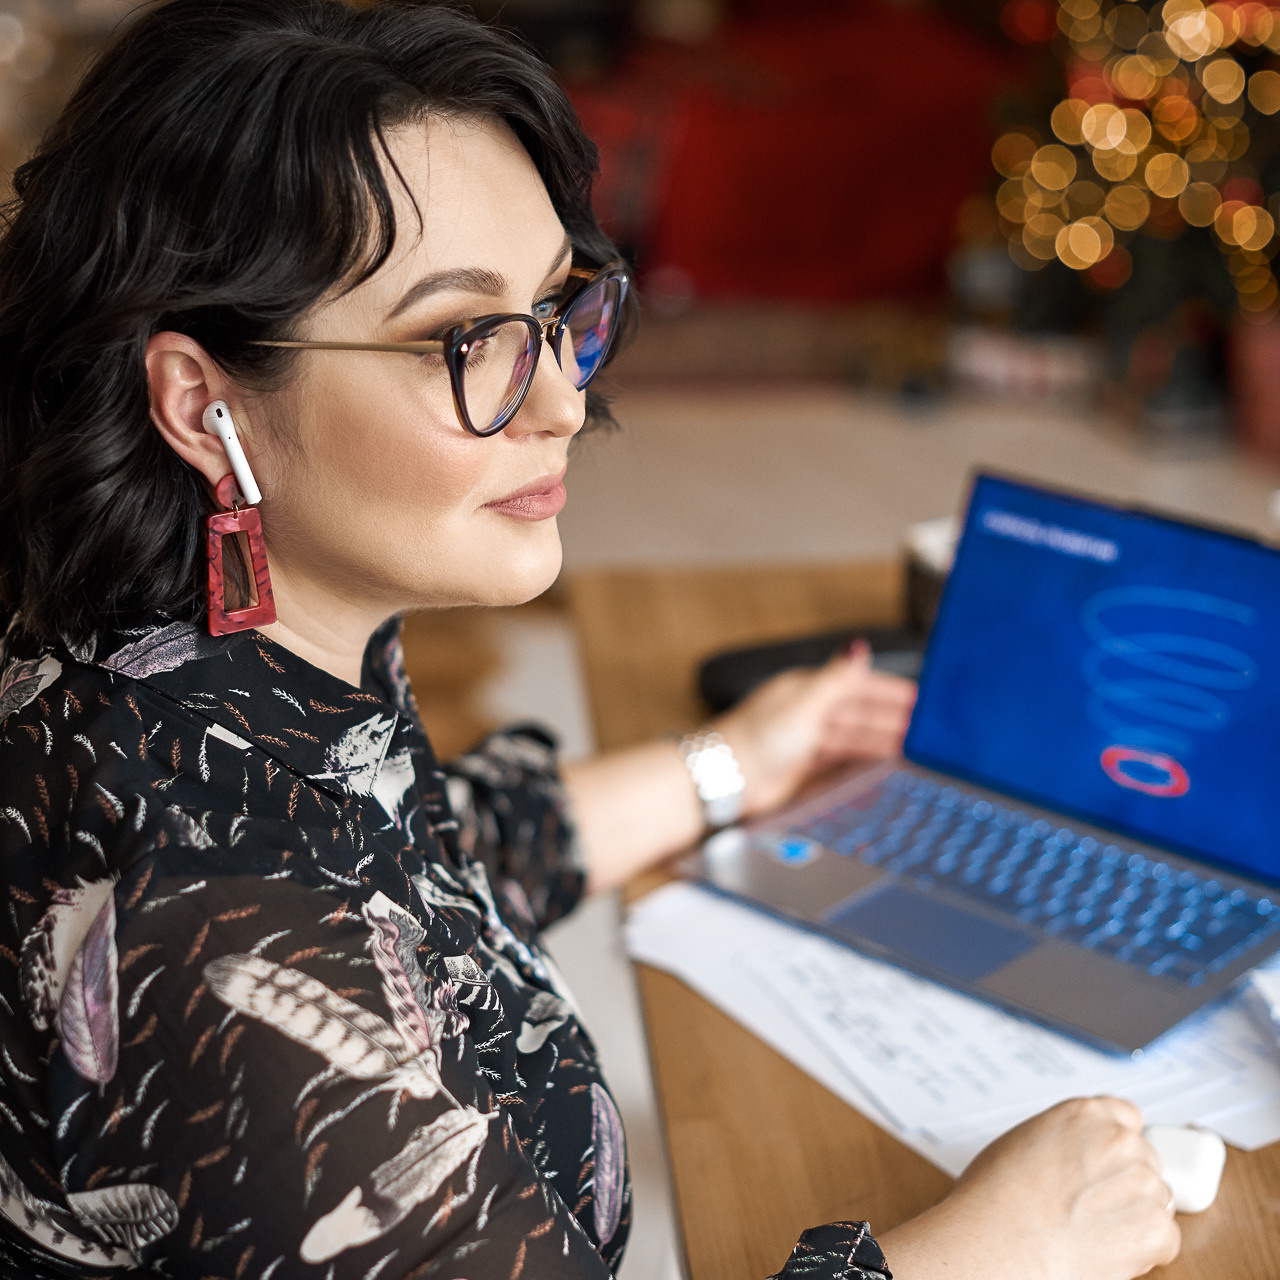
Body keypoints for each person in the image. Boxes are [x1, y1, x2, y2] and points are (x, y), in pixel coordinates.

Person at [0, 2, 1181, 1277]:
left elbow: (418, 872)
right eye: (465, 339)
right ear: (201, 399)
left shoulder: (171, 652)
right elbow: (318, 929)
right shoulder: (224, 959)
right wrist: (991, 1247)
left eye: (556, 310)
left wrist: (724, 764)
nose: (563, 399)